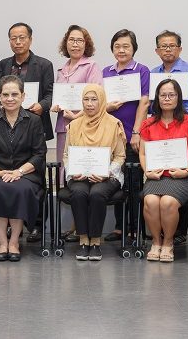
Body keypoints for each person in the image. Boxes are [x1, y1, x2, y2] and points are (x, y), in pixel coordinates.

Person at [0, 76, 47, 261]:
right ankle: (2, 242)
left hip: (26, 174)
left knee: (20, 189)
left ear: (23, 96)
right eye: (6, 95)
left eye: (15, 94)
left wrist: (19, 172)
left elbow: (39, 154)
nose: (10, 98)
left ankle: (14, 242)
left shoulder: (34, 121)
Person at [138, 79, 188, 262]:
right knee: (150, 200)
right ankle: (156, 242)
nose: (167, 98)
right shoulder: (148, 124)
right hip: (157, 176)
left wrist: (187, 171)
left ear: (178, 97)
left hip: (186, 176)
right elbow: (142, 153)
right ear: (157, 98)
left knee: (167, 202)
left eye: (171, 95)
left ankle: (168, 242)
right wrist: (147, 171)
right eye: (163, 95)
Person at [0, 22, 54, 243]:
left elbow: (51, 93)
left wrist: (42, 105)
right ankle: (13, 224)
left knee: (36, 176)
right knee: (9, 174)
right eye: (14, 38)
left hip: (35, 125)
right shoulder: (3, 65)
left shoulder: (44, 64)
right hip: (8, 126)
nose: (18, 42)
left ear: (30, 39)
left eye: (22, 37)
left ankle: (37, 225)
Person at [50, 25, 103, 243]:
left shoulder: (91, 66)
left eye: (80, 40)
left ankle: (83, 228)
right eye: (71, 40)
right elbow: (59, 98)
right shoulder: (61, 69)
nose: (75, 44)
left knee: (85, 172)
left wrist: (77, 116)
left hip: (86, 126)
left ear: (86, 44)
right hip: (64, 128)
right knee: (67, 173)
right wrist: (56, 106)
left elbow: (97, 97)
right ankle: (76, 225)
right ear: (66, 43)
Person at [151, 30, 188, 246]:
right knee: (164, 176)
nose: (168, 49)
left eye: (172, 45)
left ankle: (179, 232)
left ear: (180, 49)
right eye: (163, 46)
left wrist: (177, 119)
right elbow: (153, 104)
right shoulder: (154, 73)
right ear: (157, 50)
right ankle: (159, 236)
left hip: (183, 127)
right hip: (161, 128)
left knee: (180, 173)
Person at [64, 84, 125, 261]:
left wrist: (107, 172)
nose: (89, 104)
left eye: (94, 99)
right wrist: (73, 171)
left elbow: (120, 156)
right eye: (86, 99)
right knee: (79, 193)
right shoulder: (74, 125)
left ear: (102, 101)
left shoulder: (113, 124)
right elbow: (67, 155)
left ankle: (96, 242)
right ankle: (84, 240)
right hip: (79, 176)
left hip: (107, 176)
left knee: (97, 194)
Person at [102, 29, 151, 242]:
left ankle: (136, 227)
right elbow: (98, 103)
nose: (121, 50)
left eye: (126, 46)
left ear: (134, 48)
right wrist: (108, 107)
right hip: (110, 137)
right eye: (117, 46)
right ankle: (119, 226)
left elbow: (144, 102)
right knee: (116, 180)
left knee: (134, 182)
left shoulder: (141, 70)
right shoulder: (106, 72)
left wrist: (136, 132)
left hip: (133, 135)